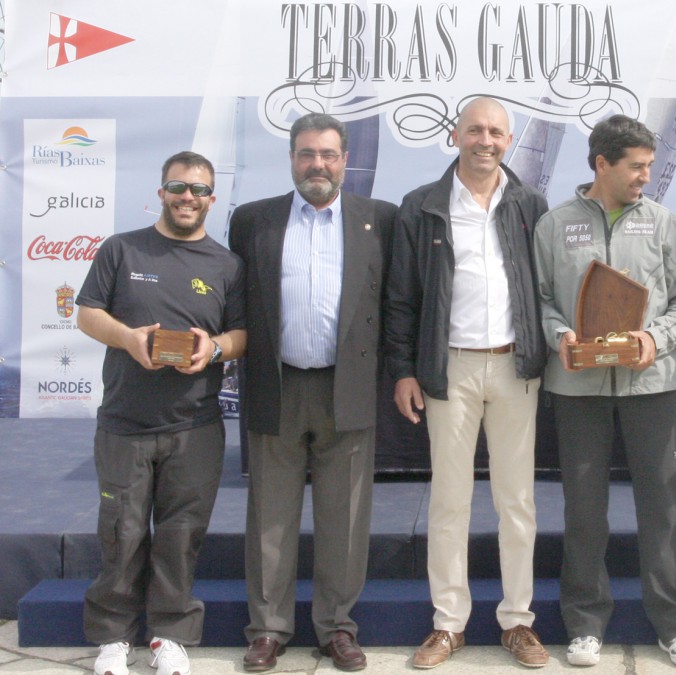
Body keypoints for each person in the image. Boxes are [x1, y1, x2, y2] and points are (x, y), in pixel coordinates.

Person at [383, 97, 551, 669]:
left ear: (509, 139)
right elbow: (400, 299)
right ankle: (448, 623)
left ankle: (517, 621)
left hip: (514, 367)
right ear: (455, 135)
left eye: (496, 132)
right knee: (450, 502)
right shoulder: (422, 206)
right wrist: (405, 369)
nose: (486, 140)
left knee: (517, 502)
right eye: (476, 129)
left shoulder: (530, 203)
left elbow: (544, 288)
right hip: (448, 369)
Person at [533, 114, 676, 668]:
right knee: (584, 509)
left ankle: (675, 626)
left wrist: (656, 338)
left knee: (662, 506)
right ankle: (585, 624)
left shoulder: (662, 223)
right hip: (577, 385)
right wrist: (559, 335)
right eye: (636, 166)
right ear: (602, 164)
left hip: (651, 385)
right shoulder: (554, 224)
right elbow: (538, 298)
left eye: (650, 166)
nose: (645, 177)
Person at [228, 113, 397, 672]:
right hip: (276, 386)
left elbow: (392, 307)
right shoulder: (253, 220)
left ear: (345, 159)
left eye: (327, 154)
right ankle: (268, 630)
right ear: (292, 158)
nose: (317, 164)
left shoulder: (379, 221)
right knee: (270, 517)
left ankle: (337, 628)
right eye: (306, 154)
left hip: (346, 388)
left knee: (345, 518)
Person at [76, 151, 246, 675]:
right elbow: (86, 314)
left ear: (212, 200)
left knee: (180, 535)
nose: (187, 197)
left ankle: (169, 634)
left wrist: (212, 348)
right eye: (178, 186)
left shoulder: (226, 264)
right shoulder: (121, 249)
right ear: (161, 191)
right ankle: (112, 638)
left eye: (198, 190)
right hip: (125, 422)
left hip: (195, 425)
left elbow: (243, 336)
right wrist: (128, 338)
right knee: (121, 532)